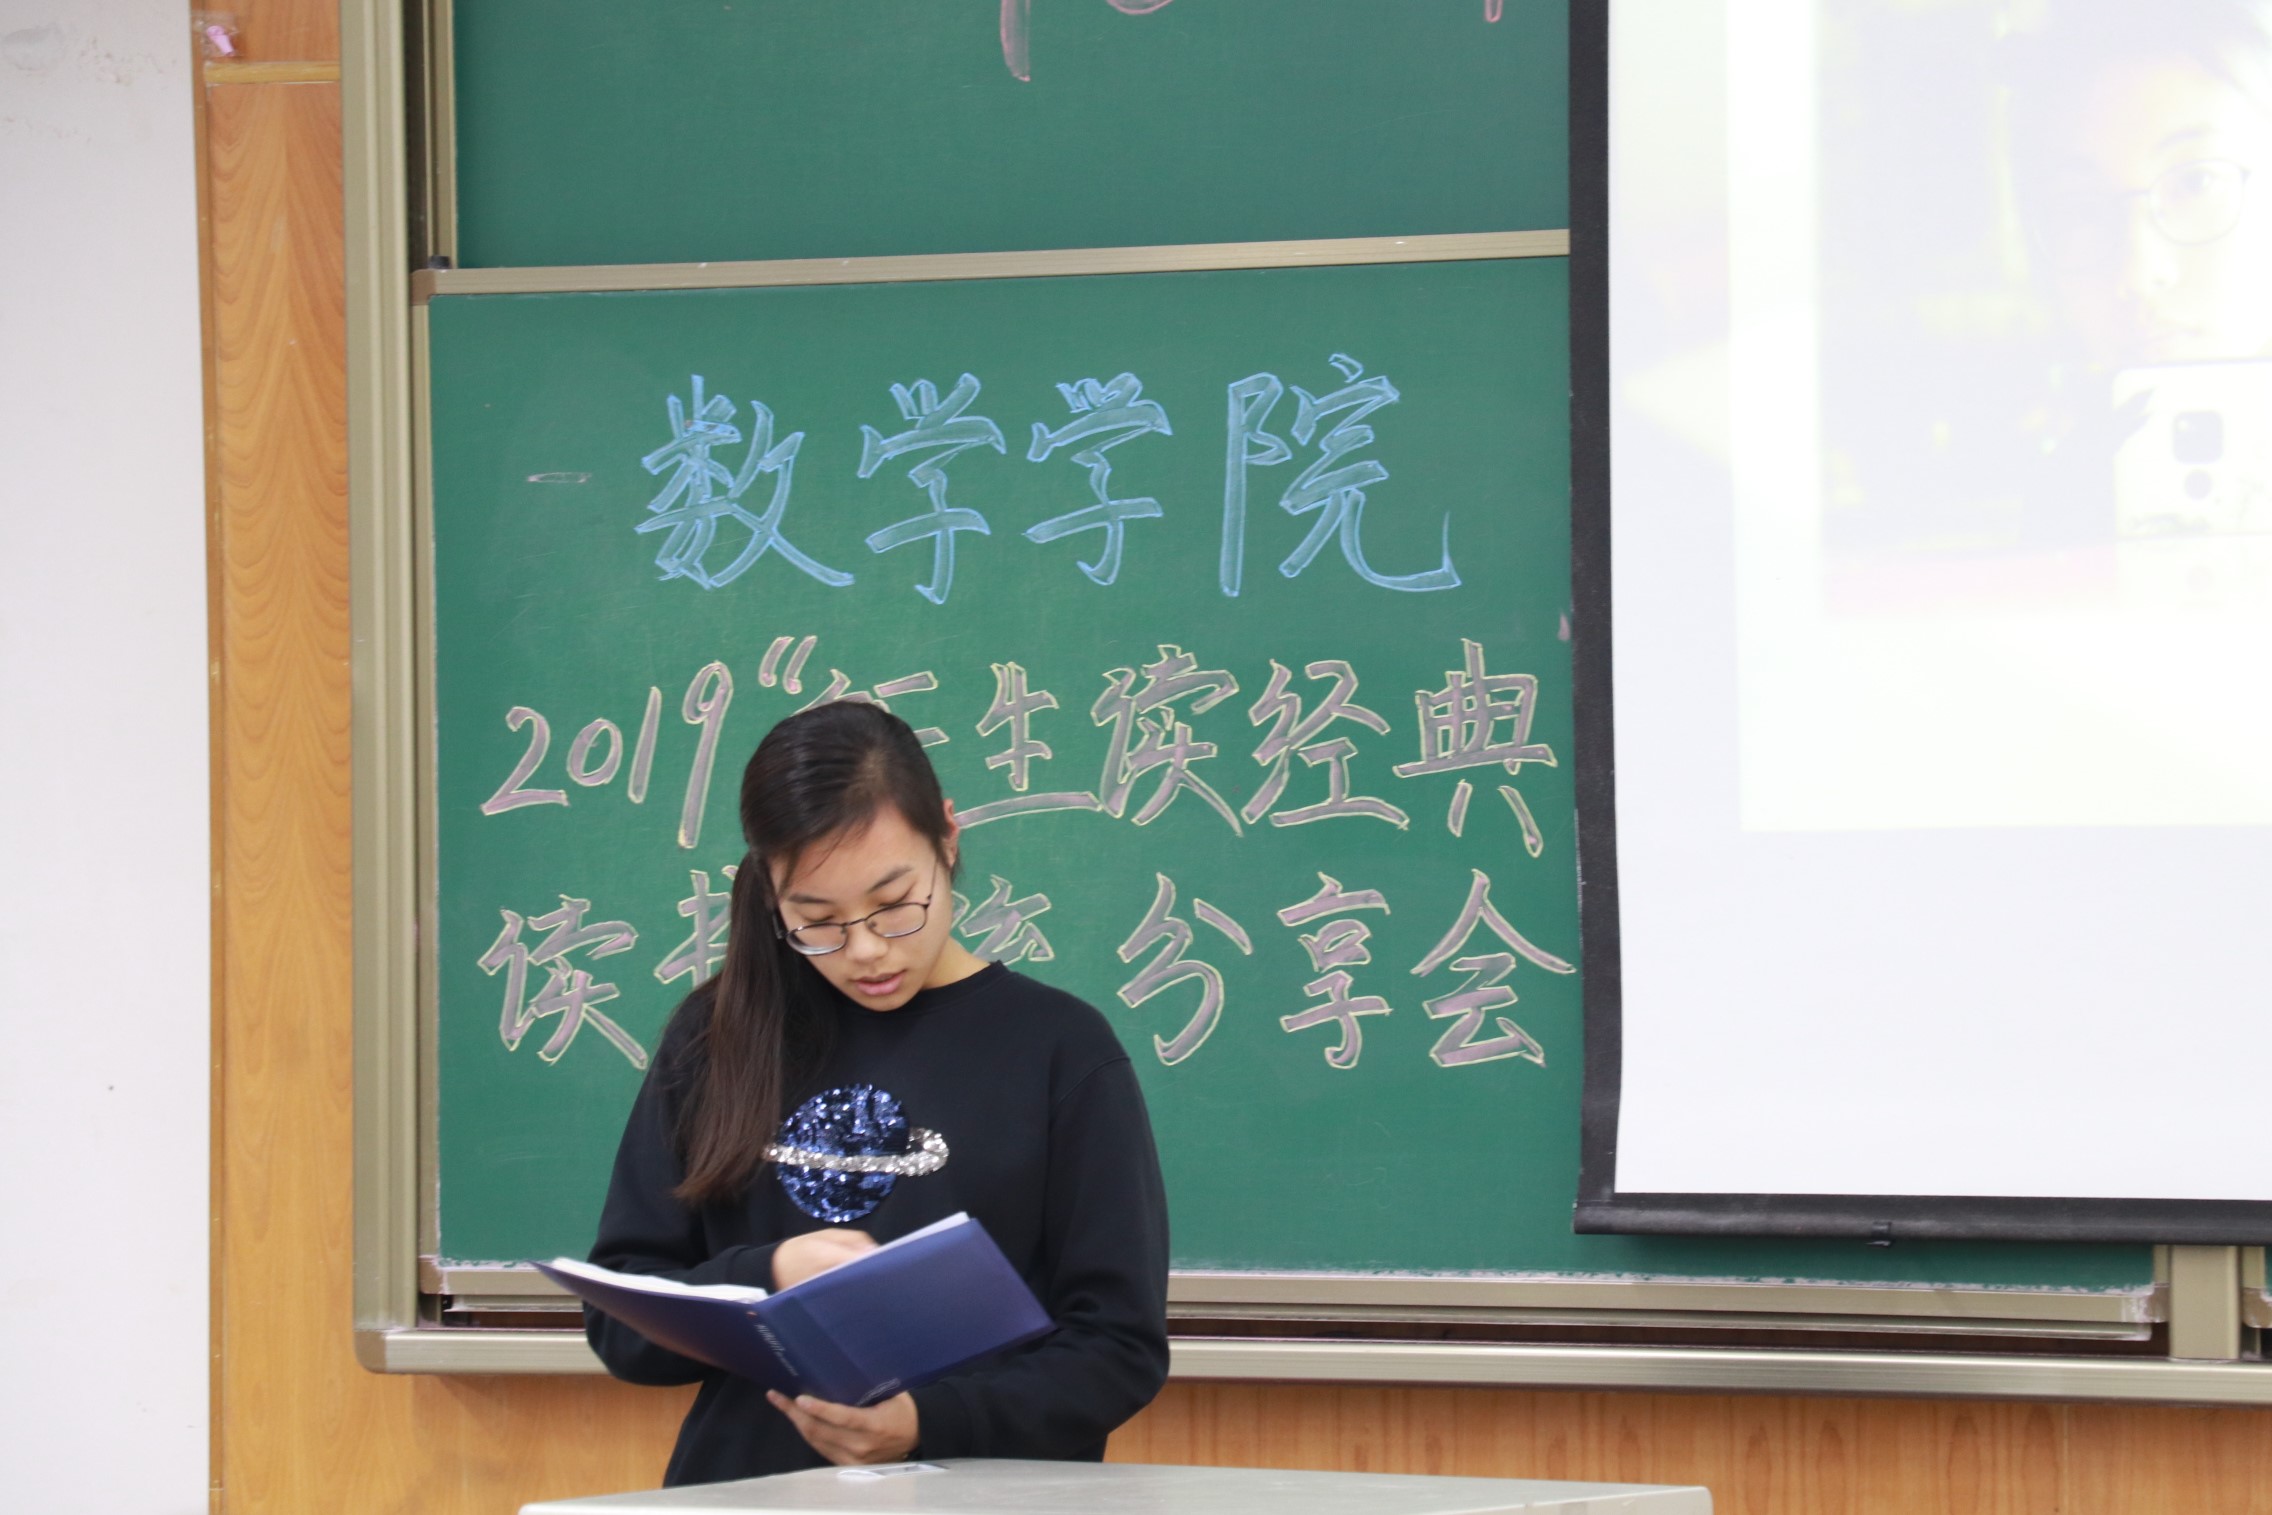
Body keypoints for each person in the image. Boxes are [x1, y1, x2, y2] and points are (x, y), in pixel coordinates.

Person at [584, 700, 1170, 1485]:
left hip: (982, 1500)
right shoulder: (716, 1034)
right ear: (771, 892)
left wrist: (928, 1421)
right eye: (817, 919)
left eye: (894, 906)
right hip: (744, 1495)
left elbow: (1118, 1350)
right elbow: (622, 1328)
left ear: (949, 838)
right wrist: (769, 1272)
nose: (864, 950)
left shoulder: (1061, 1049)